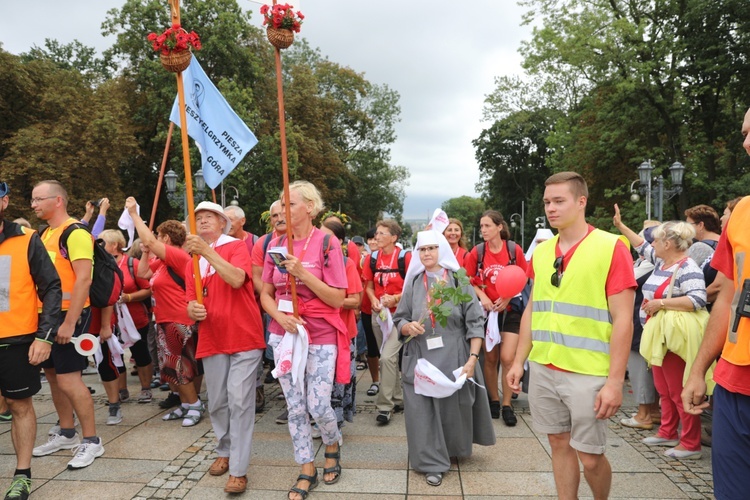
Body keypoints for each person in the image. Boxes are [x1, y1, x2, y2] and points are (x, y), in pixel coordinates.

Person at [508, 172, 635, 500]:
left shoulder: (611, 246)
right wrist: (519, 360)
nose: (551, 208)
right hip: (545, 367)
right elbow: (534, 308)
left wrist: (615, 382)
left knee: (591, 458)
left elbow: (623, 320)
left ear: (581, 202)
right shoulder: (542, 251)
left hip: (588, 371)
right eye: (547, 202)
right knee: (557, 443)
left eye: (559, 201)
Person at [260, 181, 348, 500]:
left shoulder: (327, 242)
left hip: (321, 334)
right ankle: (306, 465)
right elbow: (265, 294)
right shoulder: (275, 243)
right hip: (284, 335)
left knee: (318, 404)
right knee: (295, 407)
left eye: (290, 204)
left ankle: (332, 441)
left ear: (309, 207)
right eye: (281, 205)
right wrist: (280, 318)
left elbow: (338, 298)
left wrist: (303, 274)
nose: (283, 210)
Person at [681, 108, 750, 500]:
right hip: (734, 385)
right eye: (744, 132)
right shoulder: (741, 213)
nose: (746, 142)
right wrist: (699, 371)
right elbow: (727, 294)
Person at [395, 230, 495, 487]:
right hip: (420, 356)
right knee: (422, 410)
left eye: (431, 248)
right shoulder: (415, 282)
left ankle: (449, 450)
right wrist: (407, 327)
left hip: (453, 355)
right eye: (422, 249)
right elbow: (400, 318)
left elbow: (475, 323)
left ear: (442, 250)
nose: (426, 253)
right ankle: (431, 462)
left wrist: (473, 358)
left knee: (451, 410)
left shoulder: (459, 282)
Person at [185, 201, 266, 494]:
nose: (204, 221)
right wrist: (192, 309)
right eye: (199, 218)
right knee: (217, 401)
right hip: (212, 338)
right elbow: (190, 300)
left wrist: (207, 251)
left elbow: (236, 279)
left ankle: (239, 470)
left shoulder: (235, 247)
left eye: (210, 217)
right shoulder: (189, 260)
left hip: (244, 335)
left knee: (240, 400)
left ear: (223, 224)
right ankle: (225, 449)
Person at [614, 209, 708, 459]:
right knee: (664, 389)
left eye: (656, 240)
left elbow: (698, 298)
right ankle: (667, 431)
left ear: (667, 243)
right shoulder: (661, 261)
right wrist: (621, 226)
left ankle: (690, 443)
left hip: (674, 338)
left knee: (679, 390)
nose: (651, 244)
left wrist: (662, 304)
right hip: (659, 336)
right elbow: (639, 245)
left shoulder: (687, 266)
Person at [30, 180, 106, 469]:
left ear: (58, 200)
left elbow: (84, 279)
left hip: (68, 316)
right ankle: (66, 432)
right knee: (53, 376)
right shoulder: (46, 233)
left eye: (39, 199)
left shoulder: (74, 233)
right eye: (33, 199)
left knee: (69, 380)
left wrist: (70, 322)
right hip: (48, 316)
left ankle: (92, 440)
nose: (33, 204)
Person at [0, 181, 61, 499]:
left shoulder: (27, 239)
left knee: (19, 406)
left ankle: (22, 475)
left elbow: (52, 288)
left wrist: (45, 337)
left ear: (5, 202)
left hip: (16, 338)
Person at [124, 198, 203, 424]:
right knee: (172, 368)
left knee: (180, 368)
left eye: (158, 237)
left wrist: (134, 214)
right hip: (165, 320)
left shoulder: (177, 256)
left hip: (179, 320)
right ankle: (185, 403)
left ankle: (194, 405)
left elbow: (146, 238)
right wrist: (147, 252)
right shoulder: (164, 262)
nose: (155, 240)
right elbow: (143, 274)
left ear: (166, 239)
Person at [464, 210, 527, 425]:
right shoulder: (478, 252)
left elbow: (523, 276)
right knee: (490, 358)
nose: (483, 230)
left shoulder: (513, 250)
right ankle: (493, 399)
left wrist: (508, 297)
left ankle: (507, 404)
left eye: (487, 226)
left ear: (500, 227)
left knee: (508, 357)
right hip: (487, 311)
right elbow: (467, 279)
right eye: (481, 226)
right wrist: (482, 297)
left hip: (510, 310)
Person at [363, 219, 412, 424]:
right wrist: (374, 300)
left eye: (383, 233)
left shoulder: (405, 257)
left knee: (386, 357)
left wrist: (395, 299)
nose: (377, 236)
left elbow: (412, 286)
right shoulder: (372, 258)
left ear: (394, 237)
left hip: (399, 316)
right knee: (388, 357)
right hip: (380, 315)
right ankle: (398, 398)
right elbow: (368, 285)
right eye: (377, 233)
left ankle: (384, 406)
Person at [98, 229, 154, 404]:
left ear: (115, 245)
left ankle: (146, 388)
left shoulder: (132, 263)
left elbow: (148, 288)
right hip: (111, 319)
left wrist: (128, 297)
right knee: (115, 354)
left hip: (135, 318)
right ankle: (122, 390)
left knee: (140, 352)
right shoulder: (99, 264)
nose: (98, 247)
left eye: (102, 243)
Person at [319, 218, 363, 436]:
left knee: (339, 379)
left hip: (343, 330)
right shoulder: (310, 262)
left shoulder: (347, 263)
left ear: (340, 242)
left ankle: (335, 423)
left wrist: (329, 299)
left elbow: (355, 301)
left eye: (327, 236)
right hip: (317, 330)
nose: (322, 240)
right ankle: (318, 419)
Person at [619, 222, 660, 431]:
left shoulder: (649, 264)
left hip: (640, 322)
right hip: (643, 321)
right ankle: (652, 410)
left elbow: (626, 281)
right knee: (646, 368)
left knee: (640, 368)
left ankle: (644, 414)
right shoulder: (654, 263)